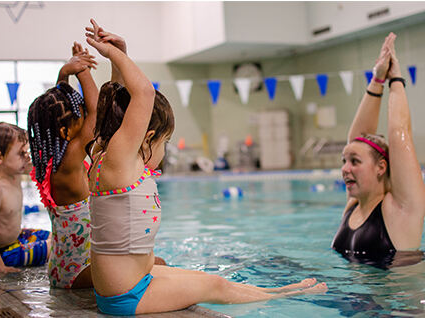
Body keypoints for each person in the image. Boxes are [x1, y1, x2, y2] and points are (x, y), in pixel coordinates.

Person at [85, 19, 327, 316]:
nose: (166, 149)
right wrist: (116, 55)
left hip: (132, 283)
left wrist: (121, 54)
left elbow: (118, 110)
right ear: (147, 138)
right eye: (166, 141)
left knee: (214, 280)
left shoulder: (103, 155)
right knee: (217, 288)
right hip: (127, 296)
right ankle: (283, 300)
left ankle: (276, 291)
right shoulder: (119, 161)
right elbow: (144, 94)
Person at [332, 32, 425, 268]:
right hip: (358, 303)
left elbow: (398, 133)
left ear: (381, 167)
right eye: (345, 160)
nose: (345, 169)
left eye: (354, 162)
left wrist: (395, 79)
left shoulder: (400, 210)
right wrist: (377, 79)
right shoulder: (354, 206)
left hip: (400, 305)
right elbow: (357, 141)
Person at [28, 42, 98, 288]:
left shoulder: (49, 161)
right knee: (158, 264)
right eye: (78, 114)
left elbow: (60, 101)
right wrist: (83, 71)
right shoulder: (70, 158)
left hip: (61, 267)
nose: (83, 115)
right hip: (81, 270)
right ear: (65, 130)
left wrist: (65, 72)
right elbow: (96, 112)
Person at [0, 122, 50, 273]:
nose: (27, 158)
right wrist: (0, 267)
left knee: (57, 236)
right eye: (22, 153)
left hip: (17, 238)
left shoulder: (14, 174)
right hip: (6, 254)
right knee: (57, 245)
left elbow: (39, 169)